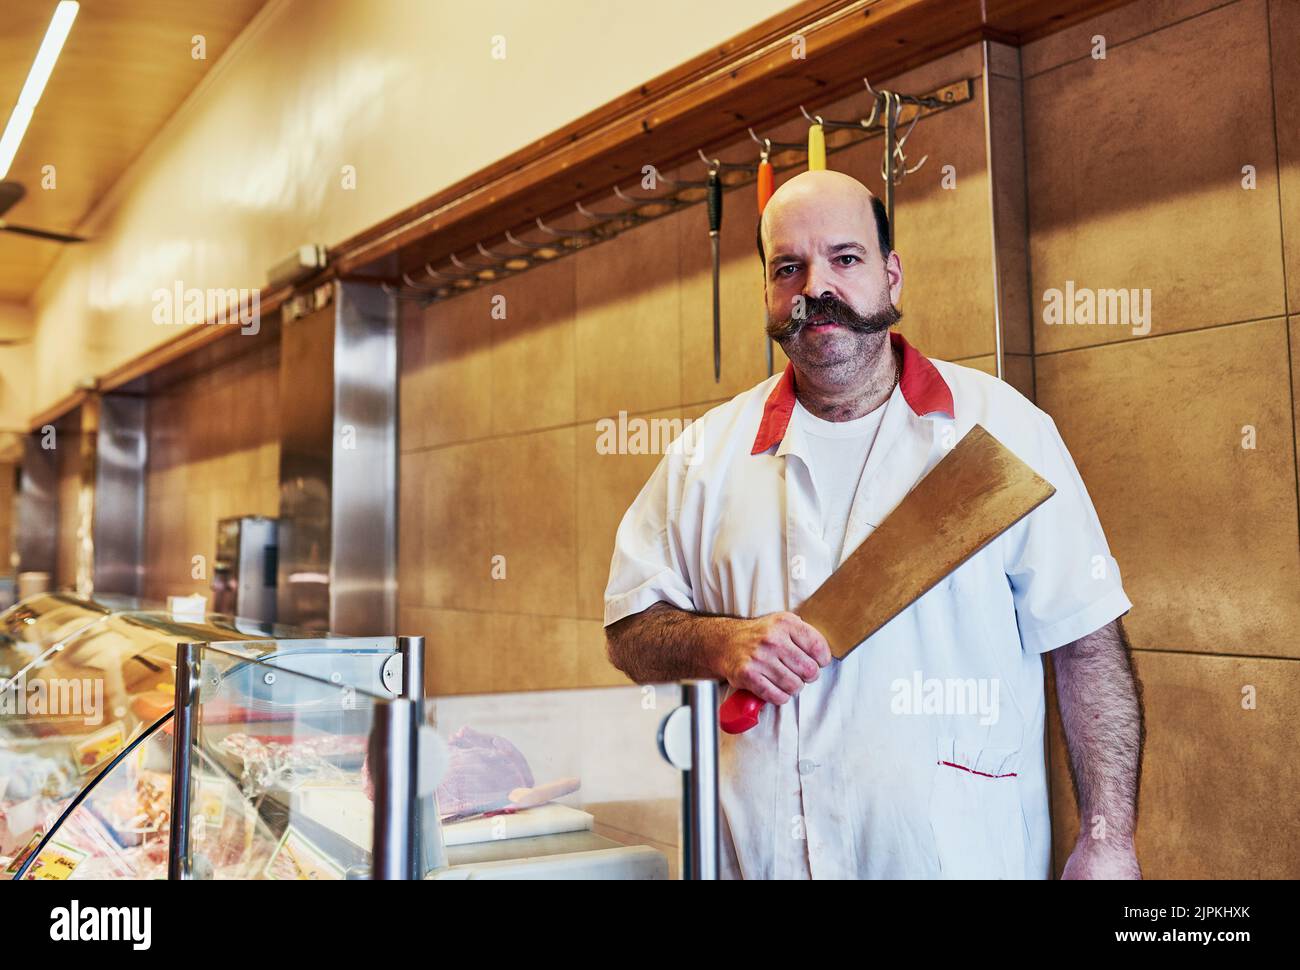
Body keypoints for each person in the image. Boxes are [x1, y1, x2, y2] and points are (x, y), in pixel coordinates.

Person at [603, 169, 1144, 879]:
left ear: (891, 276)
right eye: (788, 268)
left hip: (961, 860)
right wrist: (721, 643)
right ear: (767, 290)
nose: (815, 289)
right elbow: (630, 632)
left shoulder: (1006, 430)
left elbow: (1086, 643)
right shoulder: (706, 455)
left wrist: (1107, 838)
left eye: (845, 259)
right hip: (762, 860)